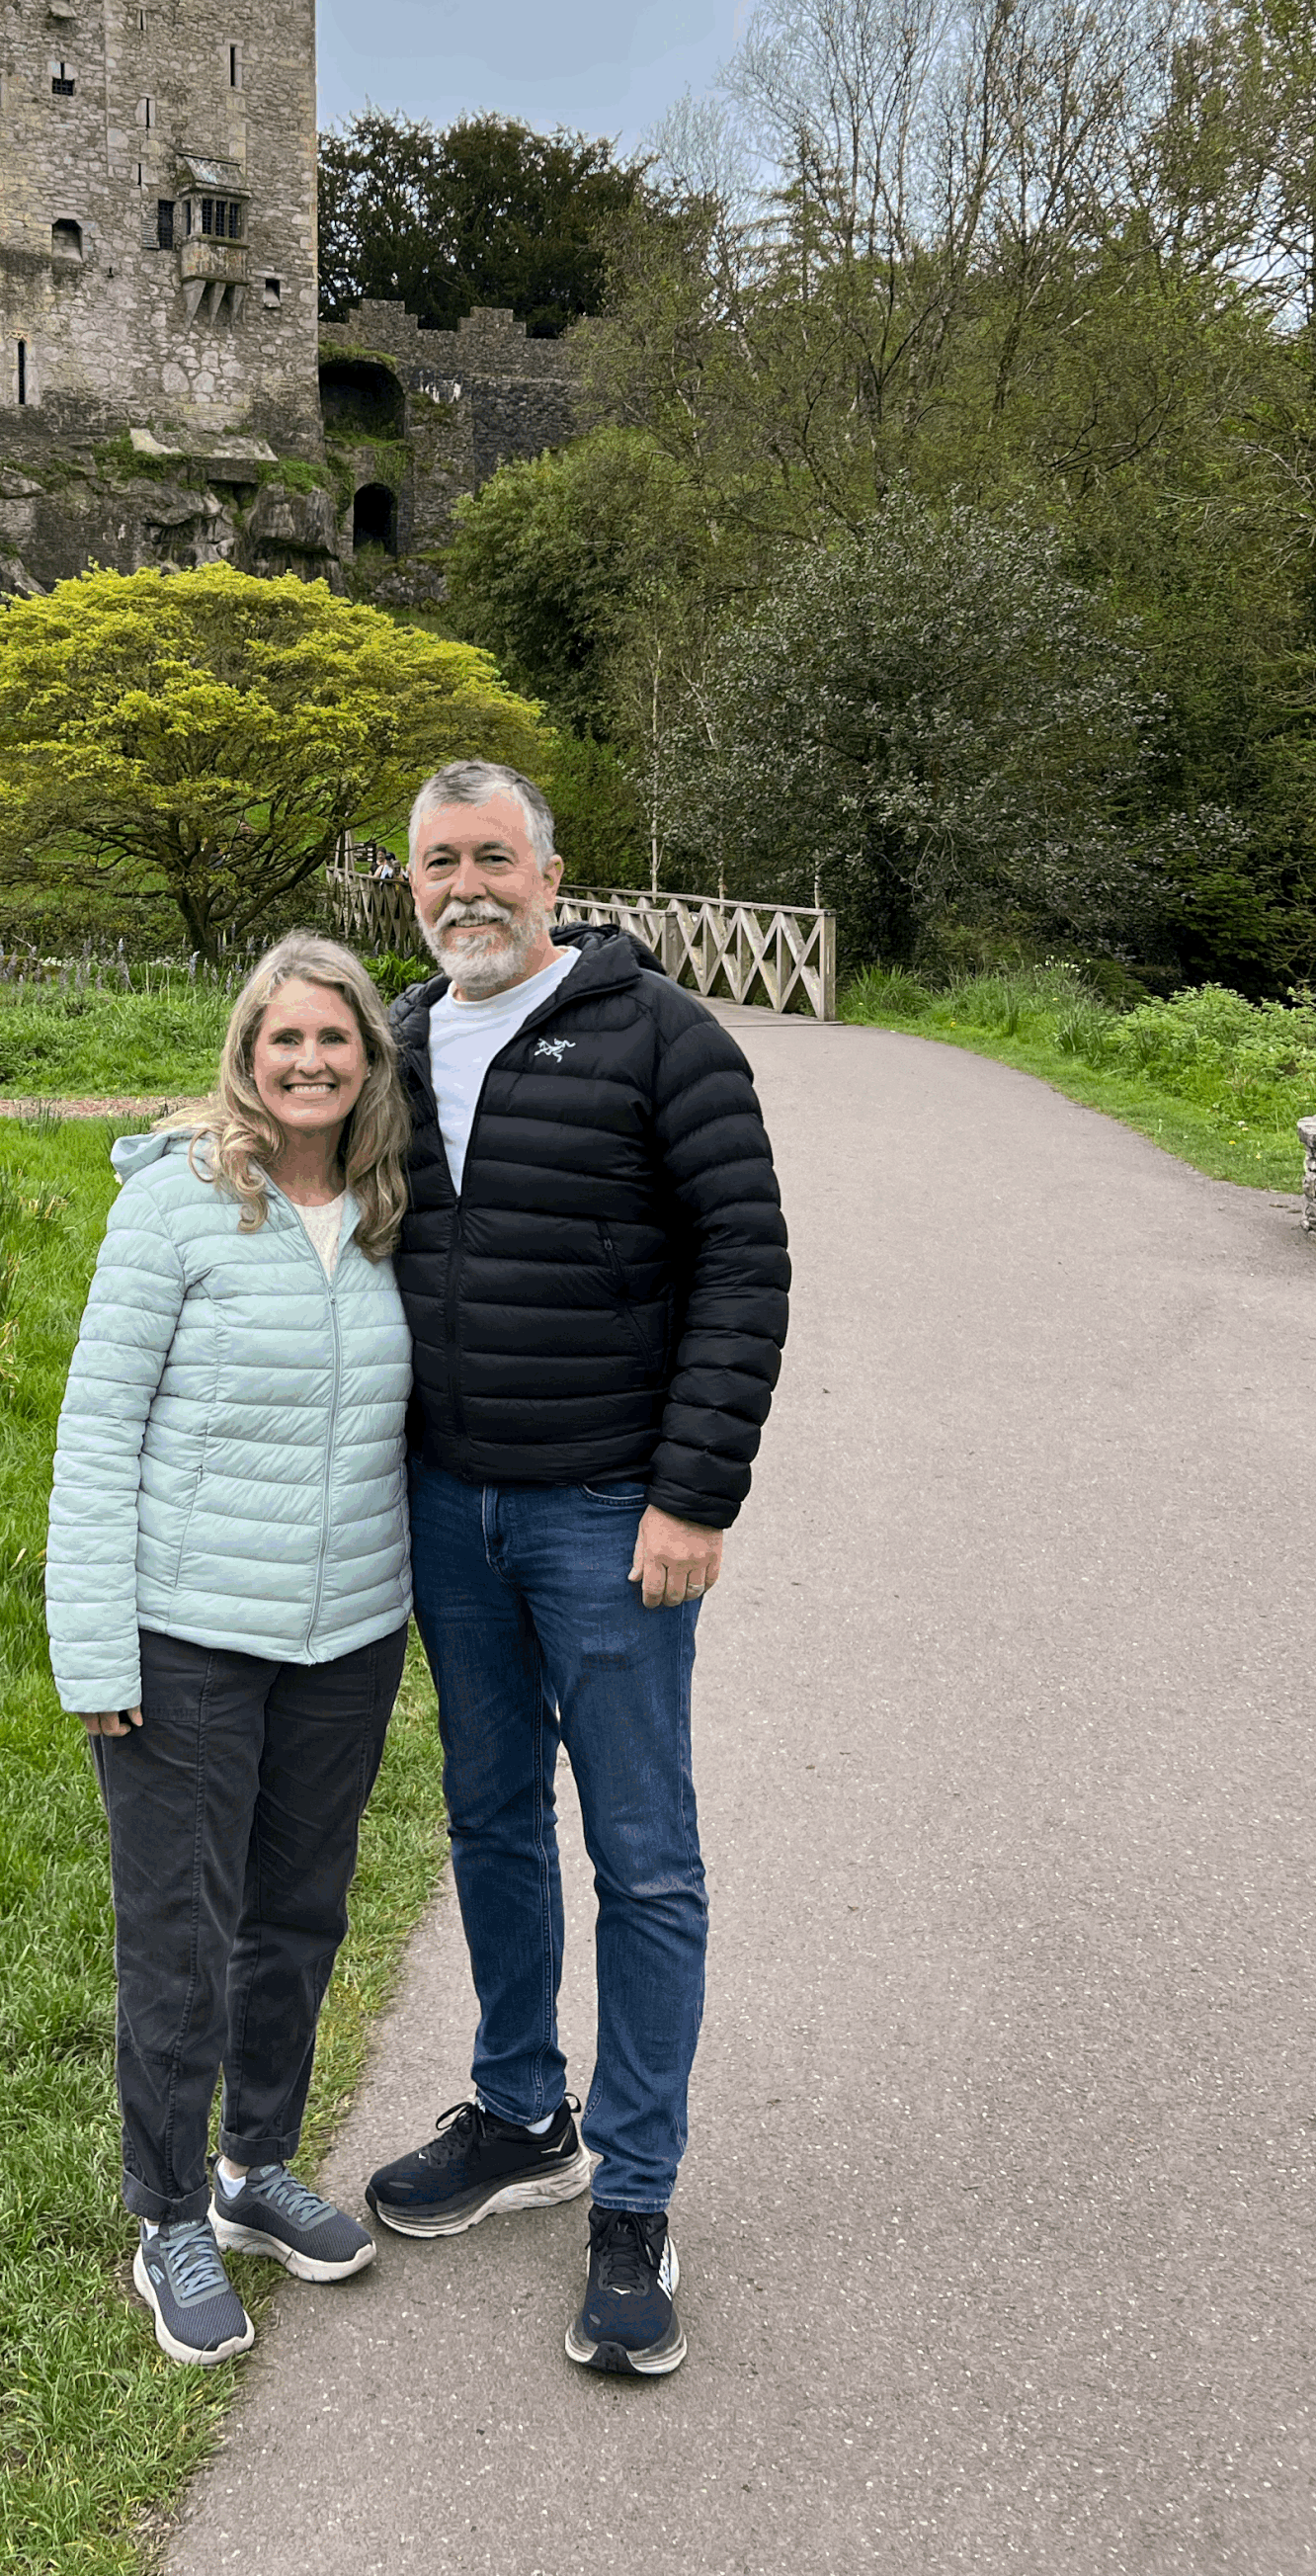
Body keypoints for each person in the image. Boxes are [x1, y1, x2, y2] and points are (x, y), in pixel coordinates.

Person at [361, 760, 790, 2380]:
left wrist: (693, 1494)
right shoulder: (399, 1041)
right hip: (450, 1510)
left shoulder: (663, 1037)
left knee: (644, 1850)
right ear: (410, 886)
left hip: (609, 1514)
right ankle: (523, 2110)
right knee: (486, 1815)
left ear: (553, 875)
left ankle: (637, 2187)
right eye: (435, 865)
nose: (464, 888)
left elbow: (747, 1263)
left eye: (492, 860)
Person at [47, 932, 415, 2368]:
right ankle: (165, 2215)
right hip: (186, 1638)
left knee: (300, 1916)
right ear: (247, 1058)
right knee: (182, 1940)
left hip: (348, 1637)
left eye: (338, 1042)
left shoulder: (392, 1209)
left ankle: (256, 2170)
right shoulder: (175, 1210)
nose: (312, 1064)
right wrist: (97, 1655)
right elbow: (94, 1437)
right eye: (286, 1043)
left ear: (369, 1061)